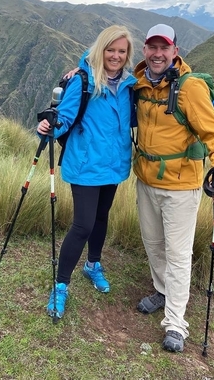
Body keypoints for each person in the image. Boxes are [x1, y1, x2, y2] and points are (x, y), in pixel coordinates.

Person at [133, 24, 214, 353]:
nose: (157, 54)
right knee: (153, 244)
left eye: (164, 48)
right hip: (146, 181)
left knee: (177, 255)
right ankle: (162, 292)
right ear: (145, 49)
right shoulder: (141, 82)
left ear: (175, 51)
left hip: (180, 186)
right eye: (152, 47)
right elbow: (106, 70)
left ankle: (176, 322)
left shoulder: (189, 89)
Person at [37, 25, 137, 320]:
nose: (116, 56)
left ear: (128, 54)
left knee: (101, 218)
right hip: (84, 165)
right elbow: (64, 117)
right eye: (110, 50)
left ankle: (93, 264)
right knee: (82, 225)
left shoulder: (129, 84)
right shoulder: (84, 80)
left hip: (114, 165)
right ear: (100, 50)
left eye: (121, 51)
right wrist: (49, 126)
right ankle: (60, 286)